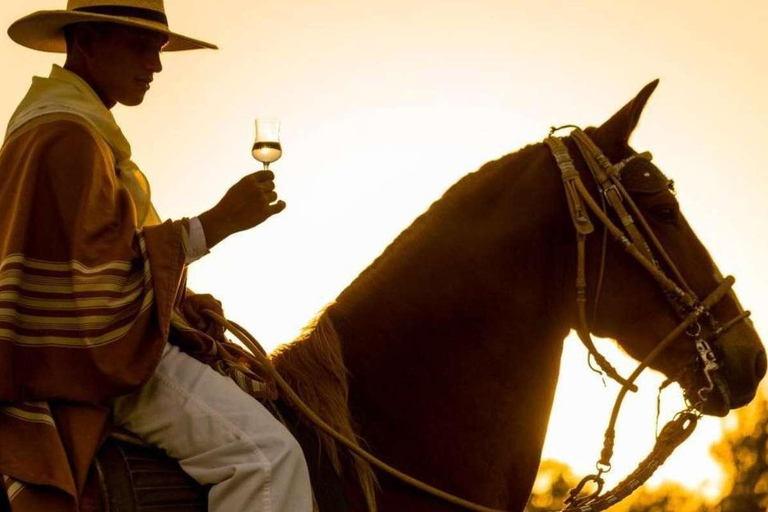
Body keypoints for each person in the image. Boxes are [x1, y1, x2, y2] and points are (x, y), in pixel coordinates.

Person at [0, 1, 312, 511]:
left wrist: (184, 304)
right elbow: (98, 285)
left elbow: (96, 256)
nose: (157, 66)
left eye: (160, 49)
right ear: (86, 43)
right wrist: (217, 223)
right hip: (99, 356)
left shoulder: (69, 128)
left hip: (94, 344)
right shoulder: (67, 136)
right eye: (141, 47)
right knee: (266, 457)